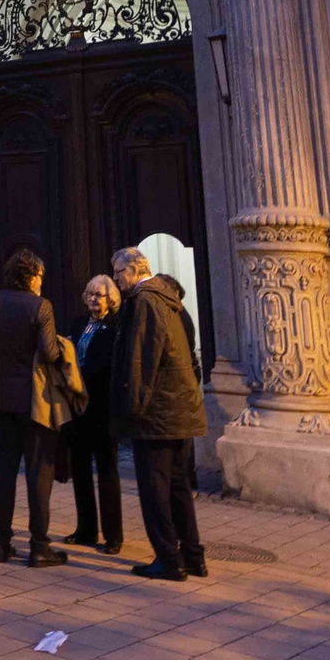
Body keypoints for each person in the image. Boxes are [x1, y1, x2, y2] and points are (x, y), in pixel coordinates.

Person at [111, 246, 208, 581]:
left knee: (155, 490)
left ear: (136, 269)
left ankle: (169, 559)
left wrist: (133, 410)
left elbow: (141, 360)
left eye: (118, 273)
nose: (116, 280)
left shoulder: (145, 301)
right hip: (179, 410)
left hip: (157, 415)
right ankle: (193, 556)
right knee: (179, 486)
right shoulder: (167, 298)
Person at [0, 246, 66, 566]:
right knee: (39, 474)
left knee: (4, 473)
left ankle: (1, 543)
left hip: (2, 402)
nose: (43, 281)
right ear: (32, 276)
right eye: (41, 275)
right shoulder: (41, 307)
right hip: (36, 402)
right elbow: (50, 353)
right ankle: (39, 546)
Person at [64, 275, 124, 555]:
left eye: (99, 295)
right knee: (80, 469)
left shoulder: (114, 328)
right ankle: (86, 528)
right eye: (90, 294)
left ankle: (113, 535)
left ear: (110, 299)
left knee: (107, 472)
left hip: (101, 407)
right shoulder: (78, 323)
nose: (93, 299)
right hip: (78, 407)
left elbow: (109, 365)